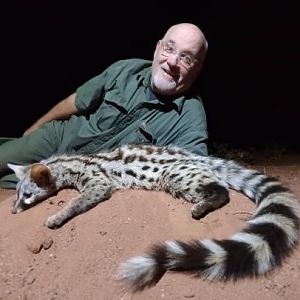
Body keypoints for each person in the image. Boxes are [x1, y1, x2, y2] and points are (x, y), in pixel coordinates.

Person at [0, 22, 208, 189]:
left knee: (14, 186)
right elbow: (75, 102)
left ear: (197, 69)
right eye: (169, 48)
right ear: (157, 48)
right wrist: (34, 128)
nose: (172, 61)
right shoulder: (126, 69)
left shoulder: (190, 116)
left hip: (83, 174)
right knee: (5, 158)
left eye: (186, 58)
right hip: (58, 138)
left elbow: (196, 168)